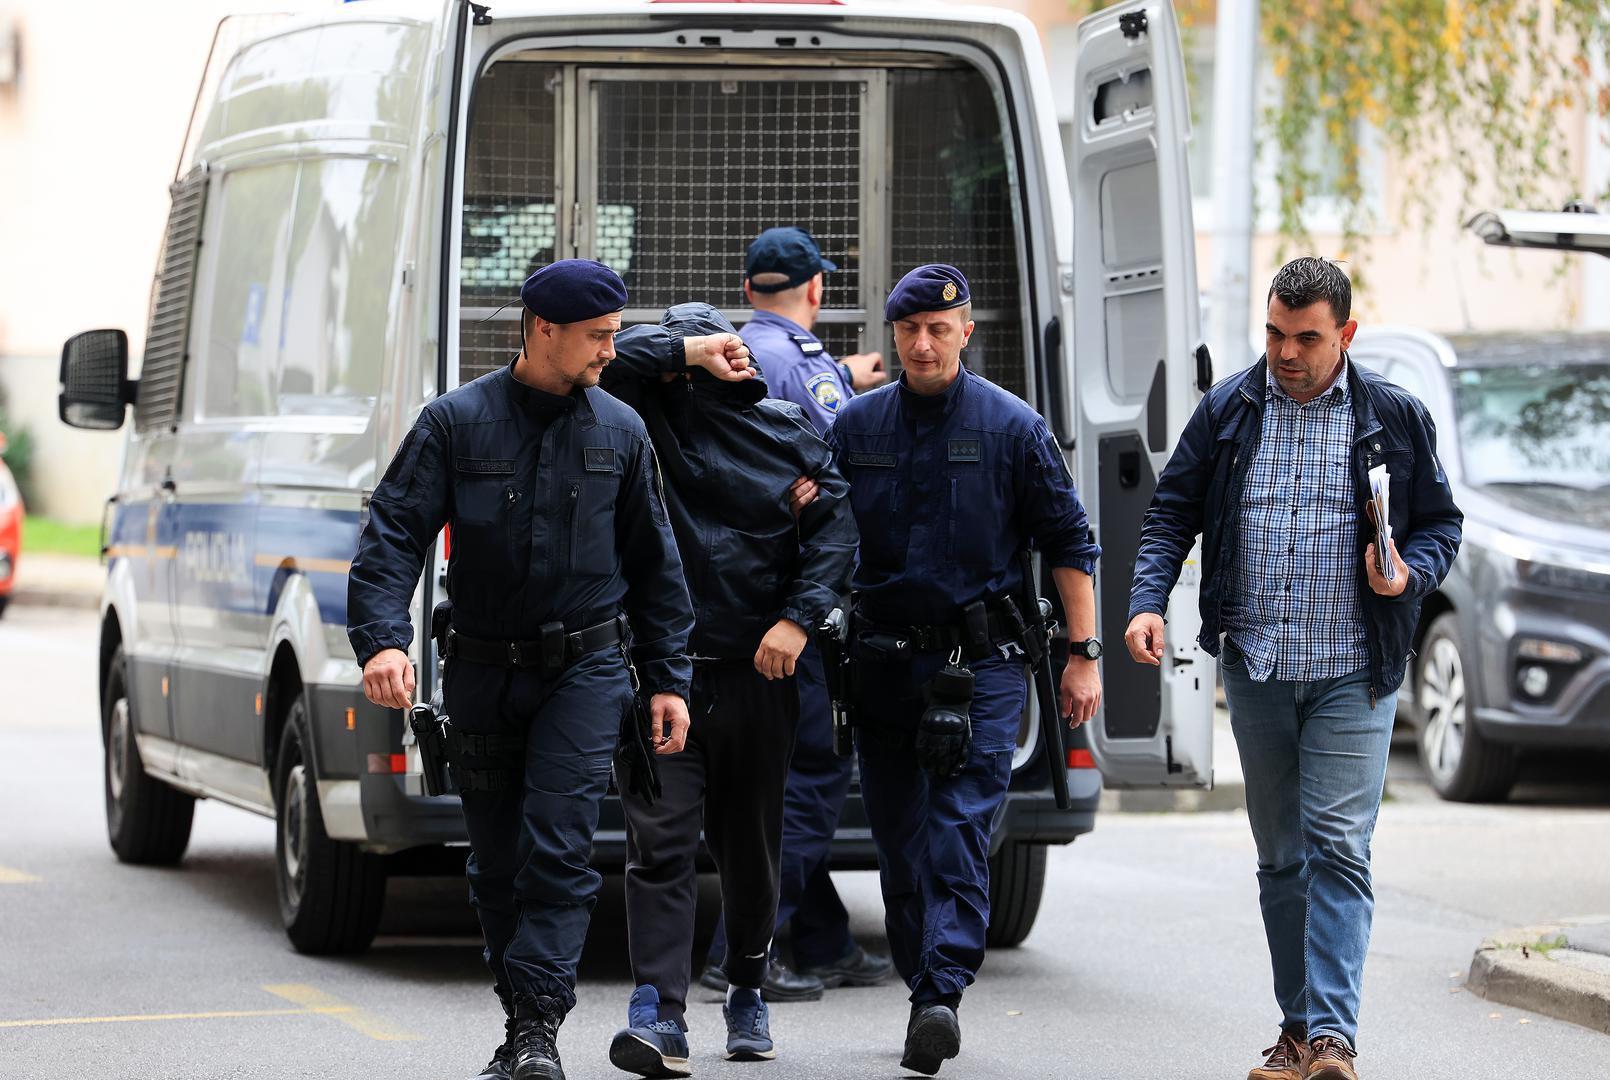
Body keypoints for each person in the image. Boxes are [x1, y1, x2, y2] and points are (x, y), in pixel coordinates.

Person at [347, 260, 694, 1080]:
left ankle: (539, 1027)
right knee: (496, 863)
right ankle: (520, 1027)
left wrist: (668, 679)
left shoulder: (622, 430)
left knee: (557, 849)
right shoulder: (455, 422)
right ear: (543, 330)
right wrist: (383, 641)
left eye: (614, 334)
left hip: (588, 670)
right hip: (482, 672)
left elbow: (658, 567)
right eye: (598, 336)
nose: (612, 351)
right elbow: (393, 534)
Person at [1123, 257, 1462, 1080]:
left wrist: (1408, 574)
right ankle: (1299, 1029)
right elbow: (1170, 513)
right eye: (1275, 333)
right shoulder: (1228, 410)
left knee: (1338, 847)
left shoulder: (1394, 416)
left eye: (1306, 338)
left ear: (1346, 334)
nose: (1285, 353)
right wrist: (1146, 602)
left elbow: (1441, 527)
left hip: (1354, 668)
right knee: (1281, 858)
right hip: (1258, 666)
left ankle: (1333, 1040)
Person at [827, 263, 1104, 1075]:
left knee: (957, 827)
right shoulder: (855, 426)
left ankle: (941, 990)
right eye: (909, 330)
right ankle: (925, 988)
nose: (922, 344)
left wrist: (1083, 656)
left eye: (938, 330)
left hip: (982, 664)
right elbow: (821, 536)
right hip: (882, 664)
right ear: (893, 334)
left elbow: (1071, 543)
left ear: (965, 332)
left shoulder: (1013, 428)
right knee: (899, 842)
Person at [596, 301, 858, 1075]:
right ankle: (658, 1012)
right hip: (659, 675)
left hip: (757, 675)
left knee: (750, 851)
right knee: (660, 845)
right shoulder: (639, 424)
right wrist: (691, 350)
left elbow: (838, 529)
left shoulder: (786, 431)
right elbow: (612, 360)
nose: (728, 360)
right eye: (709, 354)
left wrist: (798, 619)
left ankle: (747, 986)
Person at [701, 226, 894, 1001]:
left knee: (784, 770)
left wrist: (843, 374)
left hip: (737, 595)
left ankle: (822, 939)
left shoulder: (737, 352)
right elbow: (836, 453)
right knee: (812, 770)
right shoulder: (802, 361)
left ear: (749, 291)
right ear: (817, 287)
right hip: (798, 595)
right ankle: (739, 950)